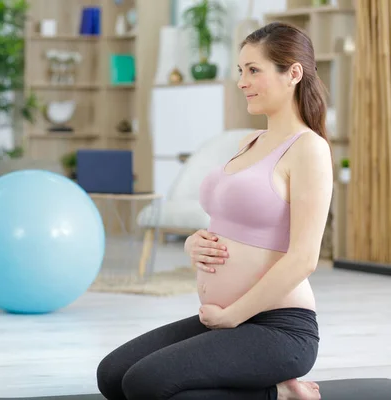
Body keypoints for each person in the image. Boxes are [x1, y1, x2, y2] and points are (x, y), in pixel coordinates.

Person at [95, 22, 334, 400]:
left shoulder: (309, 149)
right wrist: (194, 243)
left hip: (278, 327)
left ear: (293, 73)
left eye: (254, 70)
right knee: (111, 376)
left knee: (145, 384)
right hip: (229, 320)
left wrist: (235, 314)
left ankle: (280, 394)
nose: (242, 81)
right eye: (241, 70)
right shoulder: (249, 141)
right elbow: (231, 221)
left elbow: (304, 258)